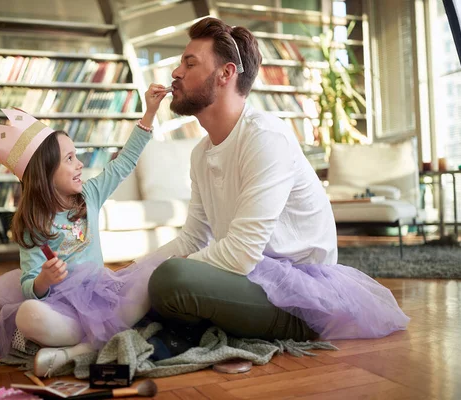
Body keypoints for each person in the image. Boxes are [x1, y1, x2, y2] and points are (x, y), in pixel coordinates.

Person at [148, 17, 409, 350]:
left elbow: (241, 253)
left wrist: (160, 273)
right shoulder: (201, 153)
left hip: (299, 298)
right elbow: (194, 237)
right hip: (248, 279)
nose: (176, 73)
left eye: (190, 63)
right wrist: (132, 272)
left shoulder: (265, 137)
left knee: (171, 280)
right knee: (156, 279)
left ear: (226, 73)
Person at [0, 84, 170, 377]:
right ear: (45, 173)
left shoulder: (89, 195)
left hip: (102, 296)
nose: (80, 164)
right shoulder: (32, 224)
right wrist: (44, 279)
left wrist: (150, 113)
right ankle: (87, 343)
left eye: (75, 155)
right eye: (69, 159)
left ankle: (75, 351)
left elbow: (123, 164)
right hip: (63, 308)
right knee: (27, 316)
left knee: (151, 276)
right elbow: (30, 285)